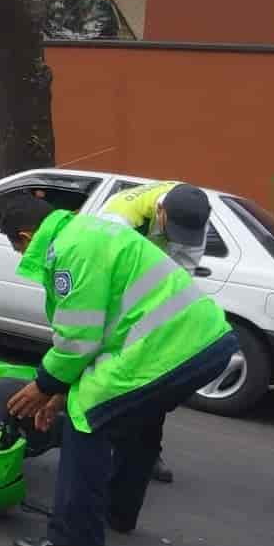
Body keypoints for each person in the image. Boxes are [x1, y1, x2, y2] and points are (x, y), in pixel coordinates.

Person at [0, 193, 237, 546]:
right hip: (206, 342)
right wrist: (59, 389)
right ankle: (117, 512)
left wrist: (45, 385)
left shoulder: (70, 250)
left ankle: (74, 544)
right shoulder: (93, 231)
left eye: (18, 248)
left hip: (170, 347)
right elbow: (102, 330)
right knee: (135, 417)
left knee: (87, 417)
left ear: (26, 237)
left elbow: (78, 338)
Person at [95, 180, 212, 484]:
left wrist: (160, 324)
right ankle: (95, 446)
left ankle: (146, 454)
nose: (182, 239)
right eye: (174, 231)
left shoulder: (193, 210)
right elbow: (102, 274)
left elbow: (181, 274)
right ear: (160, 211)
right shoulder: (118, 217)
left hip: (150, 297)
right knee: (101, 377)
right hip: (111, 298)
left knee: (151, 381)